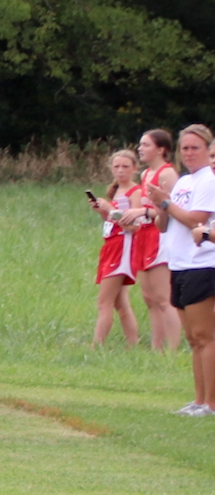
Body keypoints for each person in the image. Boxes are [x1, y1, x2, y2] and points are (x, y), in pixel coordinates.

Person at [146, 122, 215, 414]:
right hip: (179, 264)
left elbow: (196, 220)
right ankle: (198, 400)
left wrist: (166, 203)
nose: (188, 153)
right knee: (192, 339)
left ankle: (211, 402)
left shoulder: (208, 180)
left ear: (208, 150)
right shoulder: (184, 181)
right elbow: (164, 224)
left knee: (205, 336)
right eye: (184, 148)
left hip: (202, 264)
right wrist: (159, 205)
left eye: (195, 147)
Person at [90, 150, 148, 347]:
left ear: (135, 169)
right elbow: (111, 221)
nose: (120, 170)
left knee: (104, 302)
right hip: (111, 244)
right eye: (116, 166)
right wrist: (103, 212)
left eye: (125, 166)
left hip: (123, 246)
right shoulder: (116, 191)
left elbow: (134, 226)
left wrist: (111, 210)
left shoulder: (136, 192)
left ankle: (96, 345)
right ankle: (133, 343)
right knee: (119, 302)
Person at [137, 128, 183, 351]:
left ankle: (173, 349)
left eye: (145, 145)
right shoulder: (145, 174)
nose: (140, 149)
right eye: (140, 145)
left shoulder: (167, 174)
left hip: (160, 235)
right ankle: (157, 348)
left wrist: (142, 212)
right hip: (143, 234)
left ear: (160, 150)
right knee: (149, 298)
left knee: (164, 298)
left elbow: (173, 209)